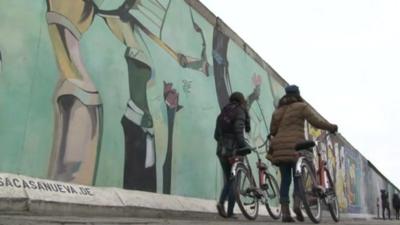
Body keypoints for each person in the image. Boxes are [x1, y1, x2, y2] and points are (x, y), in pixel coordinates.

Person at [266, 85, 338, 222]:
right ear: (298, 94)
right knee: (299, 176)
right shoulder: (301, 106)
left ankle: (285, 213)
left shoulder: (277, 111)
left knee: (285, 180)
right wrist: (331, 127)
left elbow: (273, 131)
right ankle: (297, 204)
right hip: (296, 147)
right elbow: (316, 122)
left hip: (280, 148)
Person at [214, 92, 251, 218]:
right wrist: (244, 146)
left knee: (230, 179)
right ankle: (225, 207)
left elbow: (216, 135)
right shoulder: (240, 111)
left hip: (221, 150)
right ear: (241, 100)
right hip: (234, 151)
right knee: (233, 181)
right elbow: (238, 131)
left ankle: (224, 207)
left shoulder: (222, 113)